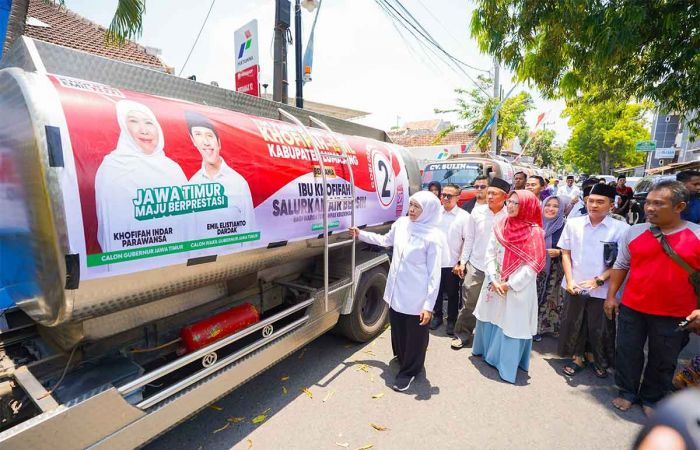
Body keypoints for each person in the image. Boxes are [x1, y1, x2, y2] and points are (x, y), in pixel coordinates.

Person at [605, 180, 699, 415]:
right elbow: (621, 265)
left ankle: (652, 399)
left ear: (679, 206)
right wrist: (611, 296)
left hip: (677, 313)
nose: (649, 208)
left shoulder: (696, 235)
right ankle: (627, 392)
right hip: (632, 307)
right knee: (627, 351)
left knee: (664, 359)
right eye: (647, 203)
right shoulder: (634, 231)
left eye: (658, 203)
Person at [349, 191, 443, 392]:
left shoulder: (433, 237)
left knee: (415, 335)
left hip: (416, 295)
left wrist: (428, 306)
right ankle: (402, 358)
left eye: (417, 207)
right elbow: (385, 241)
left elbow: (435, 275)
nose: (412, 210)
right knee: (398, 328)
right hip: (396, 289)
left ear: (428, 210)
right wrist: (361, 234)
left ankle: (410, 371)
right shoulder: (401, 224)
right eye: (411, 205)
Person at [95, 100, 188, 269]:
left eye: (148, 123)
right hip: (131, 266)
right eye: (133, 121)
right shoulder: (112, 166)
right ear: (124, 127)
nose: (143, 130)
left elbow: (189, 223)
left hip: (176, 262)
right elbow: (108, 227)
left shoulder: (173, 169)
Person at [471, 190, 546, 383]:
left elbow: (533, 265)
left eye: (516, 203)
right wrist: (494, 278)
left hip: (517, 287)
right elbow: (489, 253)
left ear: (528, 207)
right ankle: (486, 352)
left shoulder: (535, 232)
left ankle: (506, 365)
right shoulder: (500, 225)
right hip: (495, 282)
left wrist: (510, 284)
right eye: (510, 202)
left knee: (511, 322)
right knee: (491, 316)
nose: (511, 206)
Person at [558, 183, 630, 378]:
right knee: (576, 322)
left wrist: (599, 280)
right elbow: (566, 254)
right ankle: (577, 357)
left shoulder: (621, 229)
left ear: (611, 204)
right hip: (575, 284)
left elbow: (623, 262)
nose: (594, 205)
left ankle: (597, 359)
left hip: (604, 288)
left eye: (600, 202)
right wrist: (570, 280)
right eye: (591, 201)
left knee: (600, 326)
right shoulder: (574, 224)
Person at [450, 177, 511, 349]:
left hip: (499, 268)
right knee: (469, 302)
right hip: (476, 265)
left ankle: (489, 342)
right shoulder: (477, 212)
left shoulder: (509, 216)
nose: (489, 196)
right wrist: (463, 262)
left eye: (494, 193)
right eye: (489, 192)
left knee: (495, 305)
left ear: (505, 197)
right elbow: (469, 238)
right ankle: (462, 334)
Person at [186, 111, 256, 253]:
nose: (205, 142)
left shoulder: (238, 183)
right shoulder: (192, 185)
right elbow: (190, 235)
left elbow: (249, 232)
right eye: (198, 135)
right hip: (202, 268)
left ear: (219, 143)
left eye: (209, 135)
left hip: (233, 265)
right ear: (193, 141)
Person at [431, 183, 471, 335]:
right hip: (434, 261)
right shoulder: (435, 213)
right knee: (436, 291)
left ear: (458, 198)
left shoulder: (464, 217)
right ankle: (437, 316)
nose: (445, 198)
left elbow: (468, 241)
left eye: (449, 196)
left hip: (452, 262)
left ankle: (452, 320)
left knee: (453, 294)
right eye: (443, 195)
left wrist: (461, 262)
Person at [534, 196, 567, 341]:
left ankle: (539, 328)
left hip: (553, 269)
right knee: (531, 297)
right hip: (532, 267)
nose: (551, 209)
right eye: (548, 205)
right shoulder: (534, 223)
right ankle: (526, 326)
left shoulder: (564, 226)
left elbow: (573, 249)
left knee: (547, 298)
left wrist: (559, 252)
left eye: (555, 206)